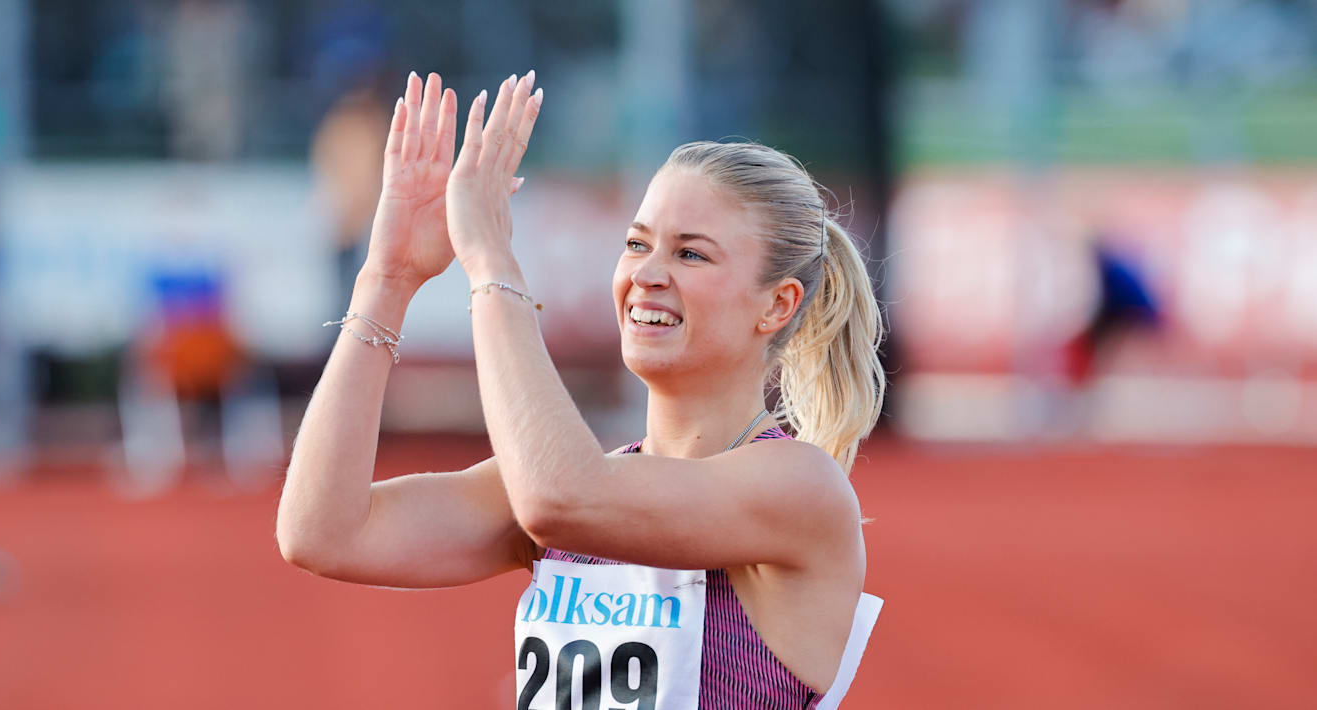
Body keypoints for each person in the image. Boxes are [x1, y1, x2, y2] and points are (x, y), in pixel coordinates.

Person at [277, 70, 885, 709]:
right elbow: (322, 533)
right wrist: (387, 277)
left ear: (778, 304)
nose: (648, 274)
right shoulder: (570, 483)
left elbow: (559, 499)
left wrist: (493, 264)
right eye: (637, 244)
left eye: (691, 255)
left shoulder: (799, 487)